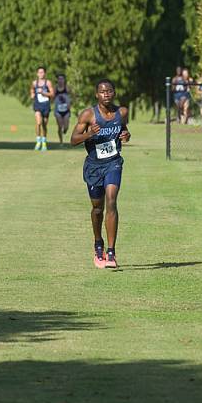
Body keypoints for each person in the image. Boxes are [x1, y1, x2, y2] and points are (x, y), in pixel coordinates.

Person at [71, 78, 130, 269]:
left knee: (112, 200)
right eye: (102, 92)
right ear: (97, 94)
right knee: (98, 209)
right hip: (94, 167)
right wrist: (89, 134)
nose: (106, 94)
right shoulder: (89, 115)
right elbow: (73, 140)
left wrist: (126, 135)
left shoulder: (122, 112)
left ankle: (111, 253)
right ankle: (99, 244)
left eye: (109, 91)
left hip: (113, 163)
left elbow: (124, 130)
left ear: (114, 93)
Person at [30, 67, 56, 151]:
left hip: (46, 105)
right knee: (38, 122)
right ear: (37, 74)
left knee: (44, 125)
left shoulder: (48, 83)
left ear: (44, 73)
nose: (41, 74)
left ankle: (44, 142)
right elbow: (32, 91)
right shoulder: (34, 83)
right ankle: (38, 141)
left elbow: (52, 94)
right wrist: (32, 95)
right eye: (39, 72)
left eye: (42, 72)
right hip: (37, 105)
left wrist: (43, 93)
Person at [54, 74, 73, 142]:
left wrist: (70, 103)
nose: (60, 80)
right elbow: (52, 97)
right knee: (60, 126)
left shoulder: (67, 88)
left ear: (64, 80)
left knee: (66, 127)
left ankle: (64, 131)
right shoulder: (55, 88)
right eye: (59, 79)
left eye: (62, 79)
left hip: (66, 110)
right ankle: (61, 141)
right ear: (57, 80)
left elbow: (73, 96)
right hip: (58, 110)